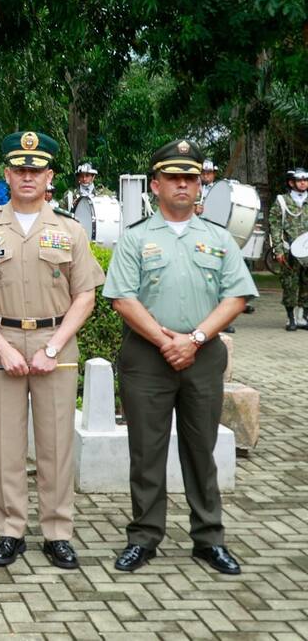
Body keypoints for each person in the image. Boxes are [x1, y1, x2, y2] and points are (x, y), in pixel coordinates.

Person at [103, 139, 256, 575]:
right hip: (146, 359)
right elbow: (122, 298)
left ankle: (209, 539)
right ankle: (144, 538)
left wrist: (194, 338)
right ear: (156, 185)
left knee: (200, 450)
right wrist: (167, 341)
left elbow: (237, 296)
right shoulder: (135, 238)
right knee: (146, 451)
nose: (183, 185)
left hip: (203, 356)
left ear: (199, 186)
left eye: (190, 178)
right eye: (173, 178)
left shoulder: (219, 238)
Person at [0, 131, 104, 569]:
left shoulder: (69, 230)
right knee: (7, 442)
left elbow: (86, 297)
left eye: (35, 170)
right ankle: (10, 530)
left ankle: (57, 532)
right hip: (1, 342)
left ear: (50, 176)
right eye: (19, 169)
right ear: (7, 174)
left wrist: (52, 349)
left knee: (56, 443)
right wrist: (1, 347)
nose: (27, 177)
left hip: (54, 343)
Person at [269, 166, 308, 331]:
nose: (303, 183)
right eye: (299, 180)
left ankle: (303, 317)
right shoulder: (282, 201)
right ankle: (291, 317)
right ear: (291, 182)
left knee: (306, 284)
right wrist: (278, 250)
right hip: (288, 251)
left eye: (305, 180)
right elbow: (275, 226)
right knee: (290, 285)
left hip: (307, 251)